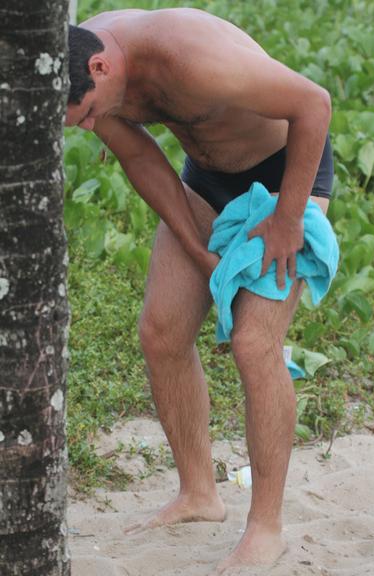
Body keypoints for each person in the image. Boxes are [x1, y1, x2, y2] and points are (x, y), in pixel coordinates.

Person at [66, 7, 334, 573]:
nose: (88, 128)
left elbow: (314, 104)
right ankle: (198, 494)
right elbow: (139, 153)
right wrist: (193, 245)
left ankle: (266, 527)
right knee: (161, 333)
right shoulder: (84, 65)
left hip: (285, 174)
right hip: (205, 178)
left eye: (87, 115)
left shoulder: (190, 56)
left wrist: (289, 219)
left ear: (101, 67)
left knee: (254, 343)